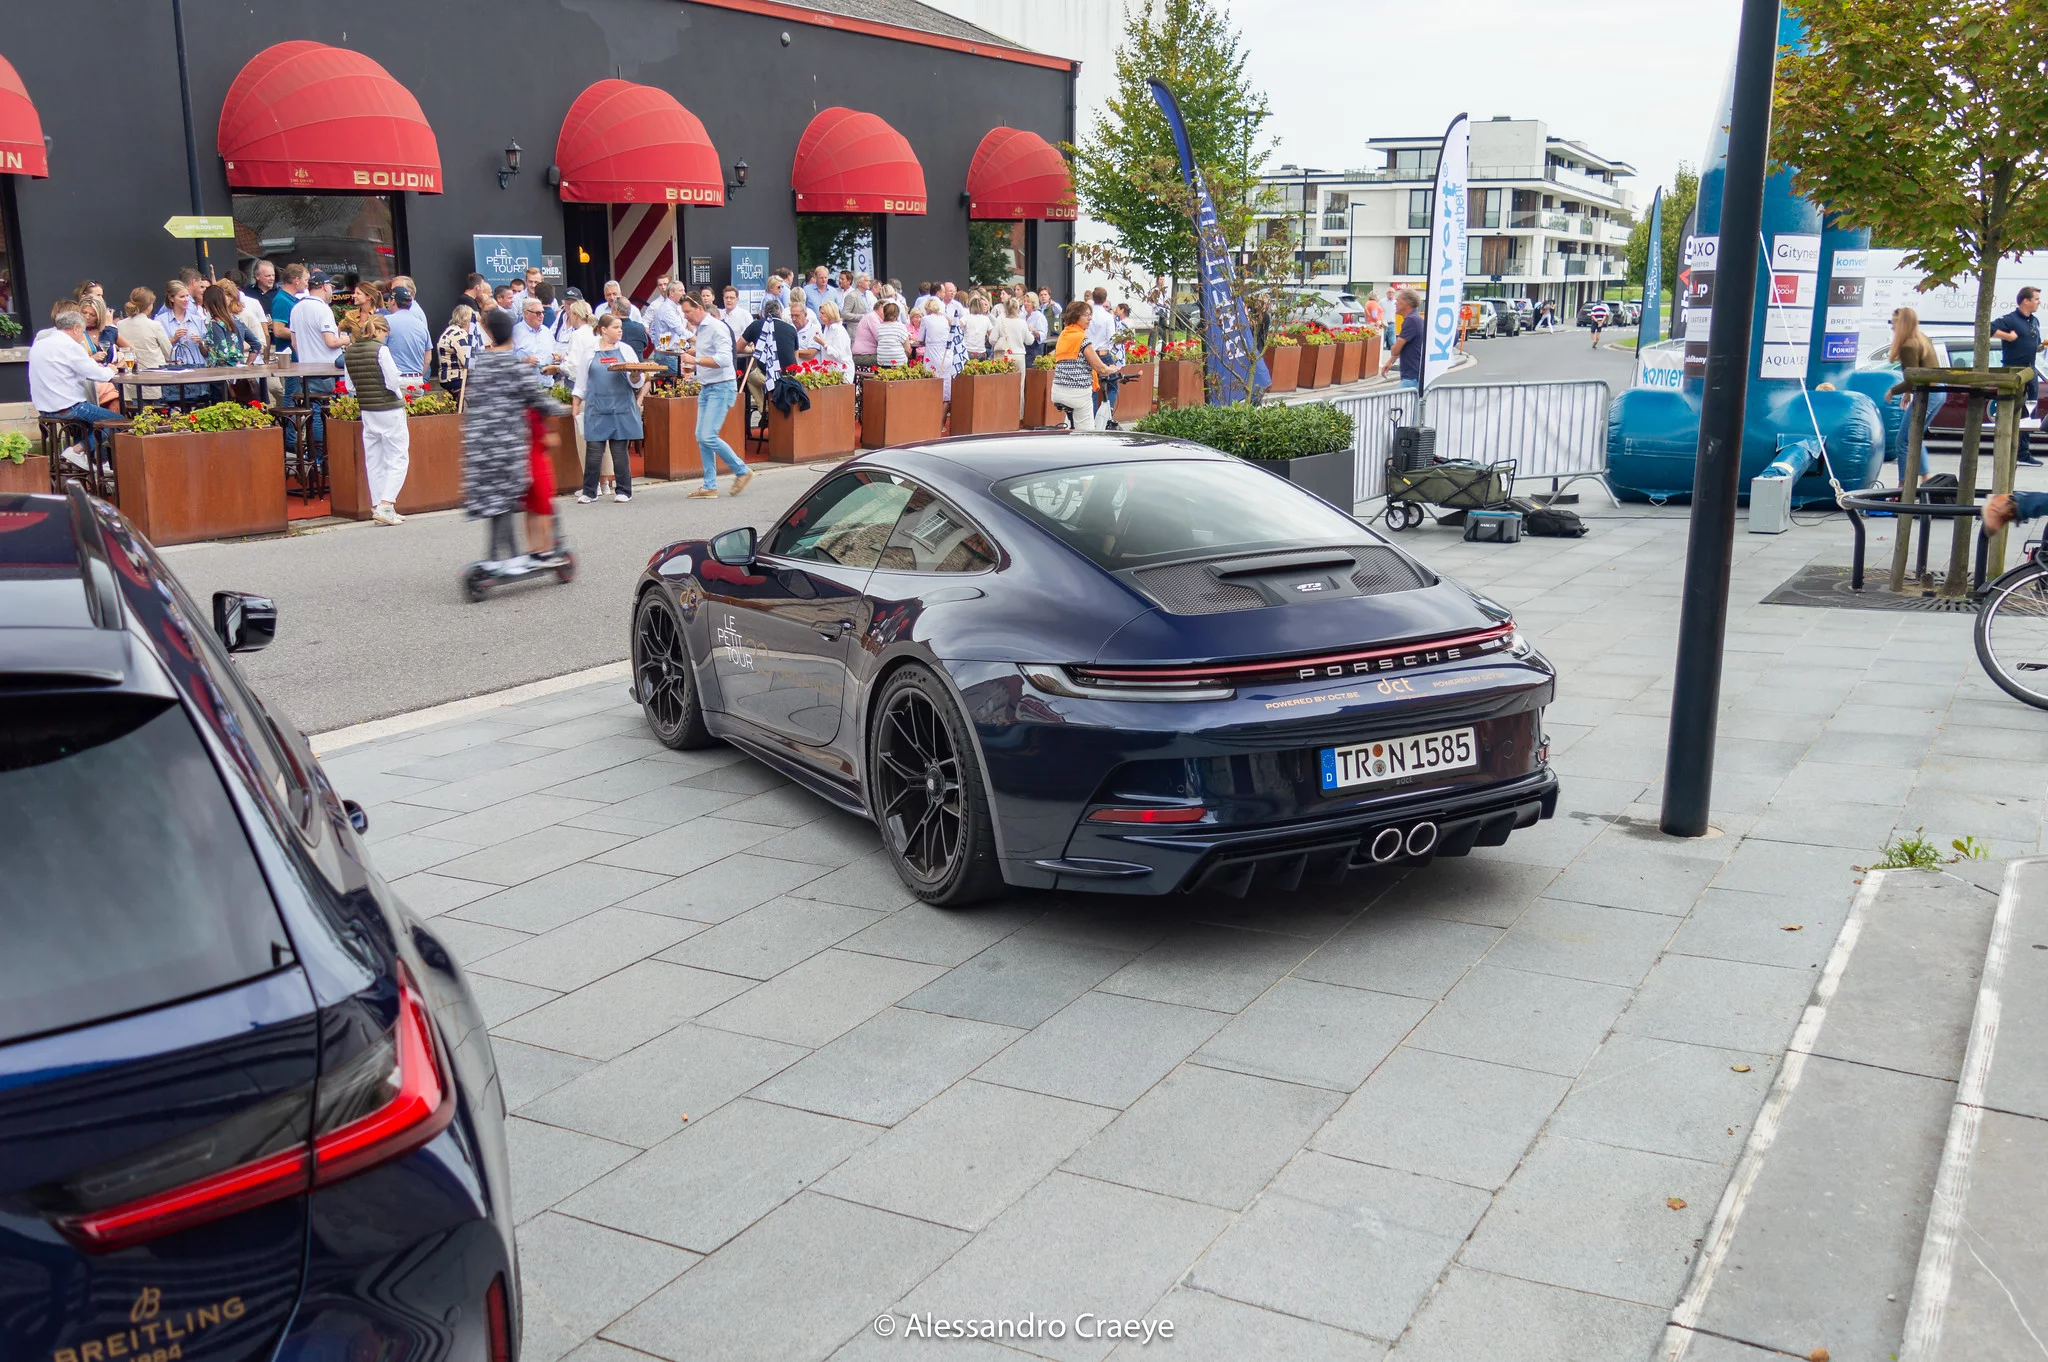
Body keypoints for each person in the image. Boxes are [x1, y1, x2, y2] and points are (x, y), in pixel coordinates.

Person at [464, 308, 567, 570]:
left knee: (498, 502)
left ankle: (501, 555)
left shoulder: (482, 364)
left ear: (490, 333)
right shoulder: (514, 367)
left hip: (479, 446)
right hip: (508, 447)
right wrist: (568, 409)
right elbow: (540, 401)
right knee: (513, 497)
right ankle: (508, 558)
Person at [343, 310, 412, 526]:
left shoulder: (350, 351)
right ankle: (386, 504)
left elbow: (350, 386)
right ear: (380, 330)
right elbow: (393, 380)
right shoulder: (381, 350)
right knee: (398, 458)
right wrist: (401, 396)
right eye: (385, 333)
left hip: (367, 410)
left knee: (374, 458)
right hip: (389, 408)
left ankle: (379, 506)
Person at [678, 292, 750, 499]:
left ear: (699, 308)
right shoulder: (703, 328)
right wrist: (695, 366)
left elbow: (725, 360)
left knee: (707, 436)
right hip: (709, 386)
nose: (686, 317)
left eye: (688, 312)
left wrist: (696, 361)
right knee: (702, 436)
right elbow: (711, 357)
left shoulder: (716, 327)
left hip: (721, 386)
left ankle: (742, 470)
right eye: (684, 313)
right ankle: (710, 485)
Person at [30, 308, 119, 464]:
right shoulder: (70, 345)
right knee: (118, 421)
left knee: (94, 425)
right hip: (68, 407)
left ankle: (90, 463)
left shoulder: (39, 344)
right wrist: (111, 369)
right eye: (83, 332)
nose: (82, 337)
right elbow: (96, 374)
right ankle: (75, 451)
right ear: (76, 328)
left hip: (45, 407)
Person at [575, 312, 643, 504]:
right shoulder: (590, 352)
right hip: (597, 407)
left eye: (620, 327)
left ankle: (624, 491)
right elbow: (581, 382)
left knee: (619, 452)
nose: (620, 330)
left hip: (621, 406)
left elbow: (636, 381)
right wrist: (575, 404)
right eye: (615, 327)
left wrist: (636, 376)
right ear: (603, 330)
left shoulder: (627, 350)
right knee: (594, 451)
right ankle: (589, 491)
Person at [288, 271, 348, 458]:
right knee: (329, 414)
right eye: (331, 287)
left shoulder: (297, 308)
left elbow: (294, 343)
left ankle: (317, 459)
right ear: (324, 286)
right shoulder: (323, 309)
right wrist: (347, 339)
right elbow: (331, 342)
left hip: (306, 370)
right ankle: (325, 458)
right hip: (328, 371)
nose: (331, 291)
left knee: (313, 412)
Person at [1884, 307, 1944, 485]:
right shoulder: (1922, 338)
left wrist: (1893, 391)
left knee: (1903, 441)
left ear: (1901, 324)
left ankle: (1904, 487)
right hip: (1938, 390)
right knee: (1914, 437)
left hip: (1928, 393)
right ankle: (1926, 479)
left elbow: (1913, 378)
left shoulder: (1907, 346)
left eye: (1894, 323)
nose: (1892, 327)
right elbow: (1920, 372)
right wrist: (1909, 392)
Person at [1991, 286, 2043, 465]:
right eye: (2036, 299)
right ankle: (2008, 449)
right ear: (2025, 301)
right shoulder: (2010, 320)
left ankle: (2023, 452)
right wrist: (2006, 336)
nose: (2039, 302)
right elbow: (1988, 328)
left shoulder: (2034, 321)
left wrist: (2041, 346)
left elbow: (2033, 344)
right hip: (2014, 371)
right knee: (2013, 411)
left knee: (2029, 412)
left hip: (2031, 371)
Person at [1049, 299, 1113, 430]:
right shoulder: (1081, 338)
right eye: (1086, 315)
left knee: (1070, 426)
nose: (1090, 318)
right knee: (1086, 432)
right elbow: (1099, 367)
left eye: (1090, 314)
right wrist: (1110, 369)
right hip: (1077, 393)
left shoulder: (1063, 335)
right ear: (1075, 316)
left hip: (1058, 391)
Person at [740, 298, 799, 426]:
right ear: (780, 313)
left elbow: (738, 347)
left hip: (769, 376)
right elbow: (796, 357)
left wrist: (751, 349)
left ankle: (764, 411)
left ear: (764, 313)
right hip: (790, 377)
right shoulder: (791, 329)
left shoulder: (756, 325)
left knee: (750, 378)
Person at [116, 288, 173, 402]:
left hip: (130, 380)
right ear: (149, 306)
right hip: (153, 380)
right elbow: (169, 352)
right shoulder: (154, 325)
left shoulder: (120, 324)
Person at [384, 281, 432, 377]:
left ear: (393, 301)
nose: (387, 302)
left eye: (388, 299)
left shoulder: (386, 321)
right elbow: (428, 357)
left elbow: (379, 351)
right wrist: (419, 377)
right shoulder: (420, 324)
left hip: (396, 380)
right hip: (416, 380)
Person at [1381, 288, 1425, 388]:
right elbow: (1403, 346)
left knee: (1396, 403)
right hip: (1414, 375)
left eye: (1398, 300)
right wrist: (1390, 361)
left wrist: (1393, 350)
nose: (1395, 303)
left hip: (1412, 377)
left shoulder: (1411, 320)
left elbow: (1395, 350)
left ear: (1407, 302)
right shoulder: (1415, 318)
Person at [644, 281, 689, 376]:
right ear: (671, 293)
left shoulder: (674, 308)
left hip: (670, 354)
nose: (684, 293)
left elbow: (652, 330)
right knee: (676, 385)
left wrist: (658, 345)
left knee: (673, 385)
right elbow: (680, 331)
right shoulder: (667, 309)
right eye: (681, 290)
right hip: (668, 355)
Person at [436, 304, 476, 399]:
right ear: (467, 319)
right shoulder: (458, 334)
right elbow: (467, 362)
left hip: (449, 377)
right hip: (456, 378)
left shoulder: (452, 330)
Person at [511, 297, 555, 379]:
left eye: (543, 312)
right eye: (538, 313)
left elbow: (554, 351)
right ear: (526, 314)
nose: (542, 316)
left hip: (548, 384)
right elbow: (507, 360)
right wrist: (524, 361)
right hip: (526, 386)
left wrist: (556, 358)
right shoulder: (515, 332)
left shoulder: (547, 331)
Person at [816, 301, 853, 379]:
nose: (820, 316)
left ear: (830, 314)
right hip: (830, 371)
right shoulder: (826, 329)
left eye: (823, 313)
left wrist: (823, 344)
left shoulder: (839, 331)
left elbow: (839, 355)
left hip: (842, 372)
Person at [991, 298, 1031, 368]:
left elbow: (992, 339)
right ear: (1018, 309)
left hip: (1003, 355)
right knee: (1019, 378)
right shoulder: (1022, 323)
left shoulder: (1000, 321)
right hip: (1019, 355)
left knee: (1003, 378)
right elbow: (1029, 341)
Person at [873, 300, 910, 367]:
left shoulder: (879, 327)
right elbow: (908, 349)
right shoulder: (901, 327)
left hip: (882, 362)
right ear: (897, 314)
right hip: (899, 362)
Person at [961, 294, 993, 361]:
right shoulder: (986, 319)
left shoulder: (966, 317)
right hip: (981, 352)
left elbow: (957, 326)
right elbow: (992, 335)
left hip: (968, 351)